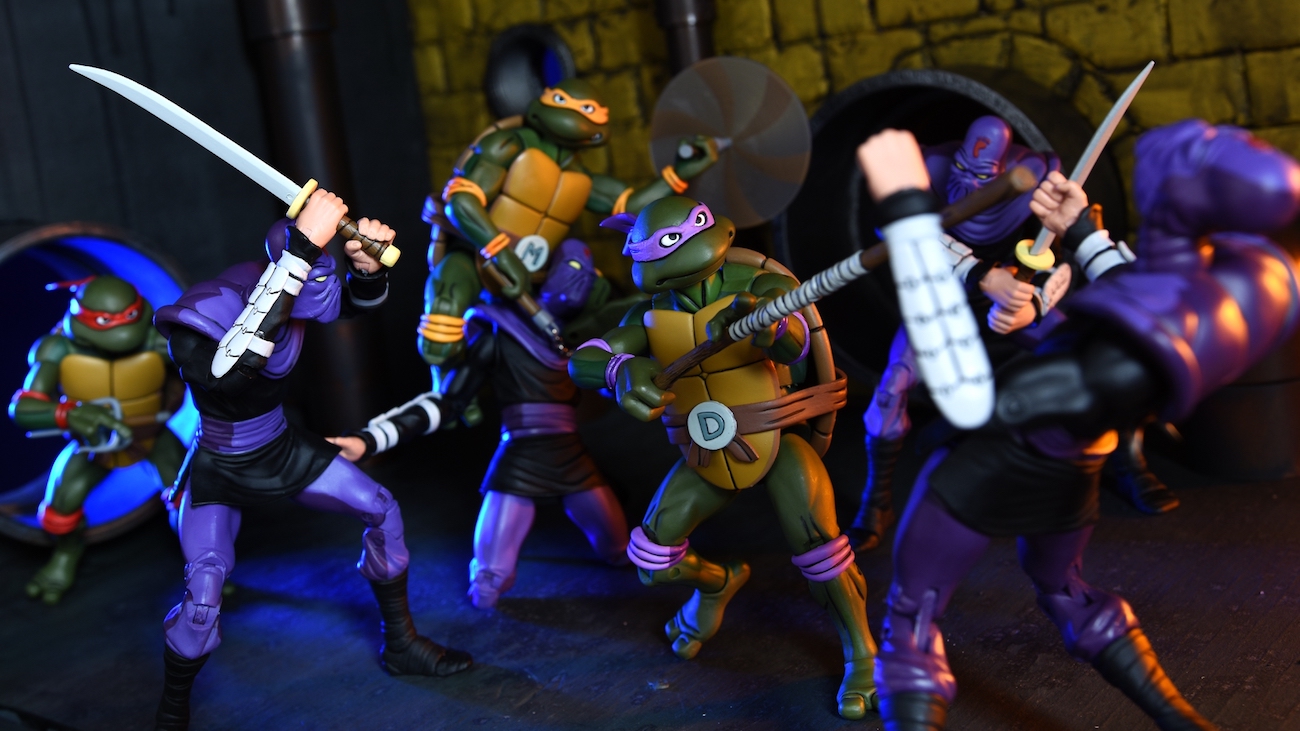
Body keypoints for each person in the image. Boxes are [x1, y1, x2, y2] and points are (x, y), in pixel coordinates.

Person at [860, 122, 1299, 730]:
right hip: (1077, 466)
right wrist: (1084, 232)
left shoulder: (1108, 356)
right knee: (1067, 590)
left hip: (1002, 456)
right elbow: (1143, 285)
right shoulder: (1241, 287)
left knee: (911, 617)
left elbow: (962, 388)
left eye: (1200, 148)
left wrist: (908, 213)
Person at [150, 189, 471, 731]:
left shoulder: (295, 286)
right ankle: (171, 711)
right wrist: (301, 250)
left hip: (281, 446)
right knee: (202, 599)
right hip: (220, 466)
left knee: (381, 507)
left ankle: (402, 644)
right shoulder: (204, 312)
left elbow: (342, 306)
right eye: (309, 270)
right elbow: (227, 375)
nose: (317, 287)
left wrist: (365, 269)